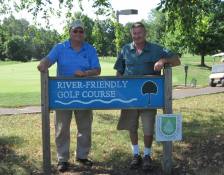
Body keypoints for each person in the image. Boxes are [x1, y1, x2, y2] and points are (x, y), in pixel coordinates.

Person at [114, 22, 181, 171]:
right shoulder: (125, 49)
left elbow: (176, 59)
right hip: (129, 97)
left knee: (148, 127)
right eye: (134, 33)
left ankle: (147, 155)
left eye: (139, 33)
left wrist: (163, 60)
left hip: (149, 97)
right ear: (132, 34)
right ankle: (136, 155)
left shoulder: (156, 49)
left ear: (145, 33)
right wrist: (119, 89)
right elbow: (119, 71)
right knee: (132, 127)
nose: (137, 36)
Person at [37, 19, 101, 172]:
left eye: (81, 31)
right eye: (75, 31)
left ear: (84, 34)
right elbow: (48, 60)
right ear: (70, 33)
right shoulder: (60, 47)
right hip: (63, 94)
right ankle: (62, 159)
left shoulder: (90, 49)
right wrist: (43, 63)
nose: (78, 33)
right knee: (62, 127)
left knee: (85, 127)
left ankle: (82, 156)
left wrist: (85, 73)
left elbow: (97, 70)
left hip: (84, 93)